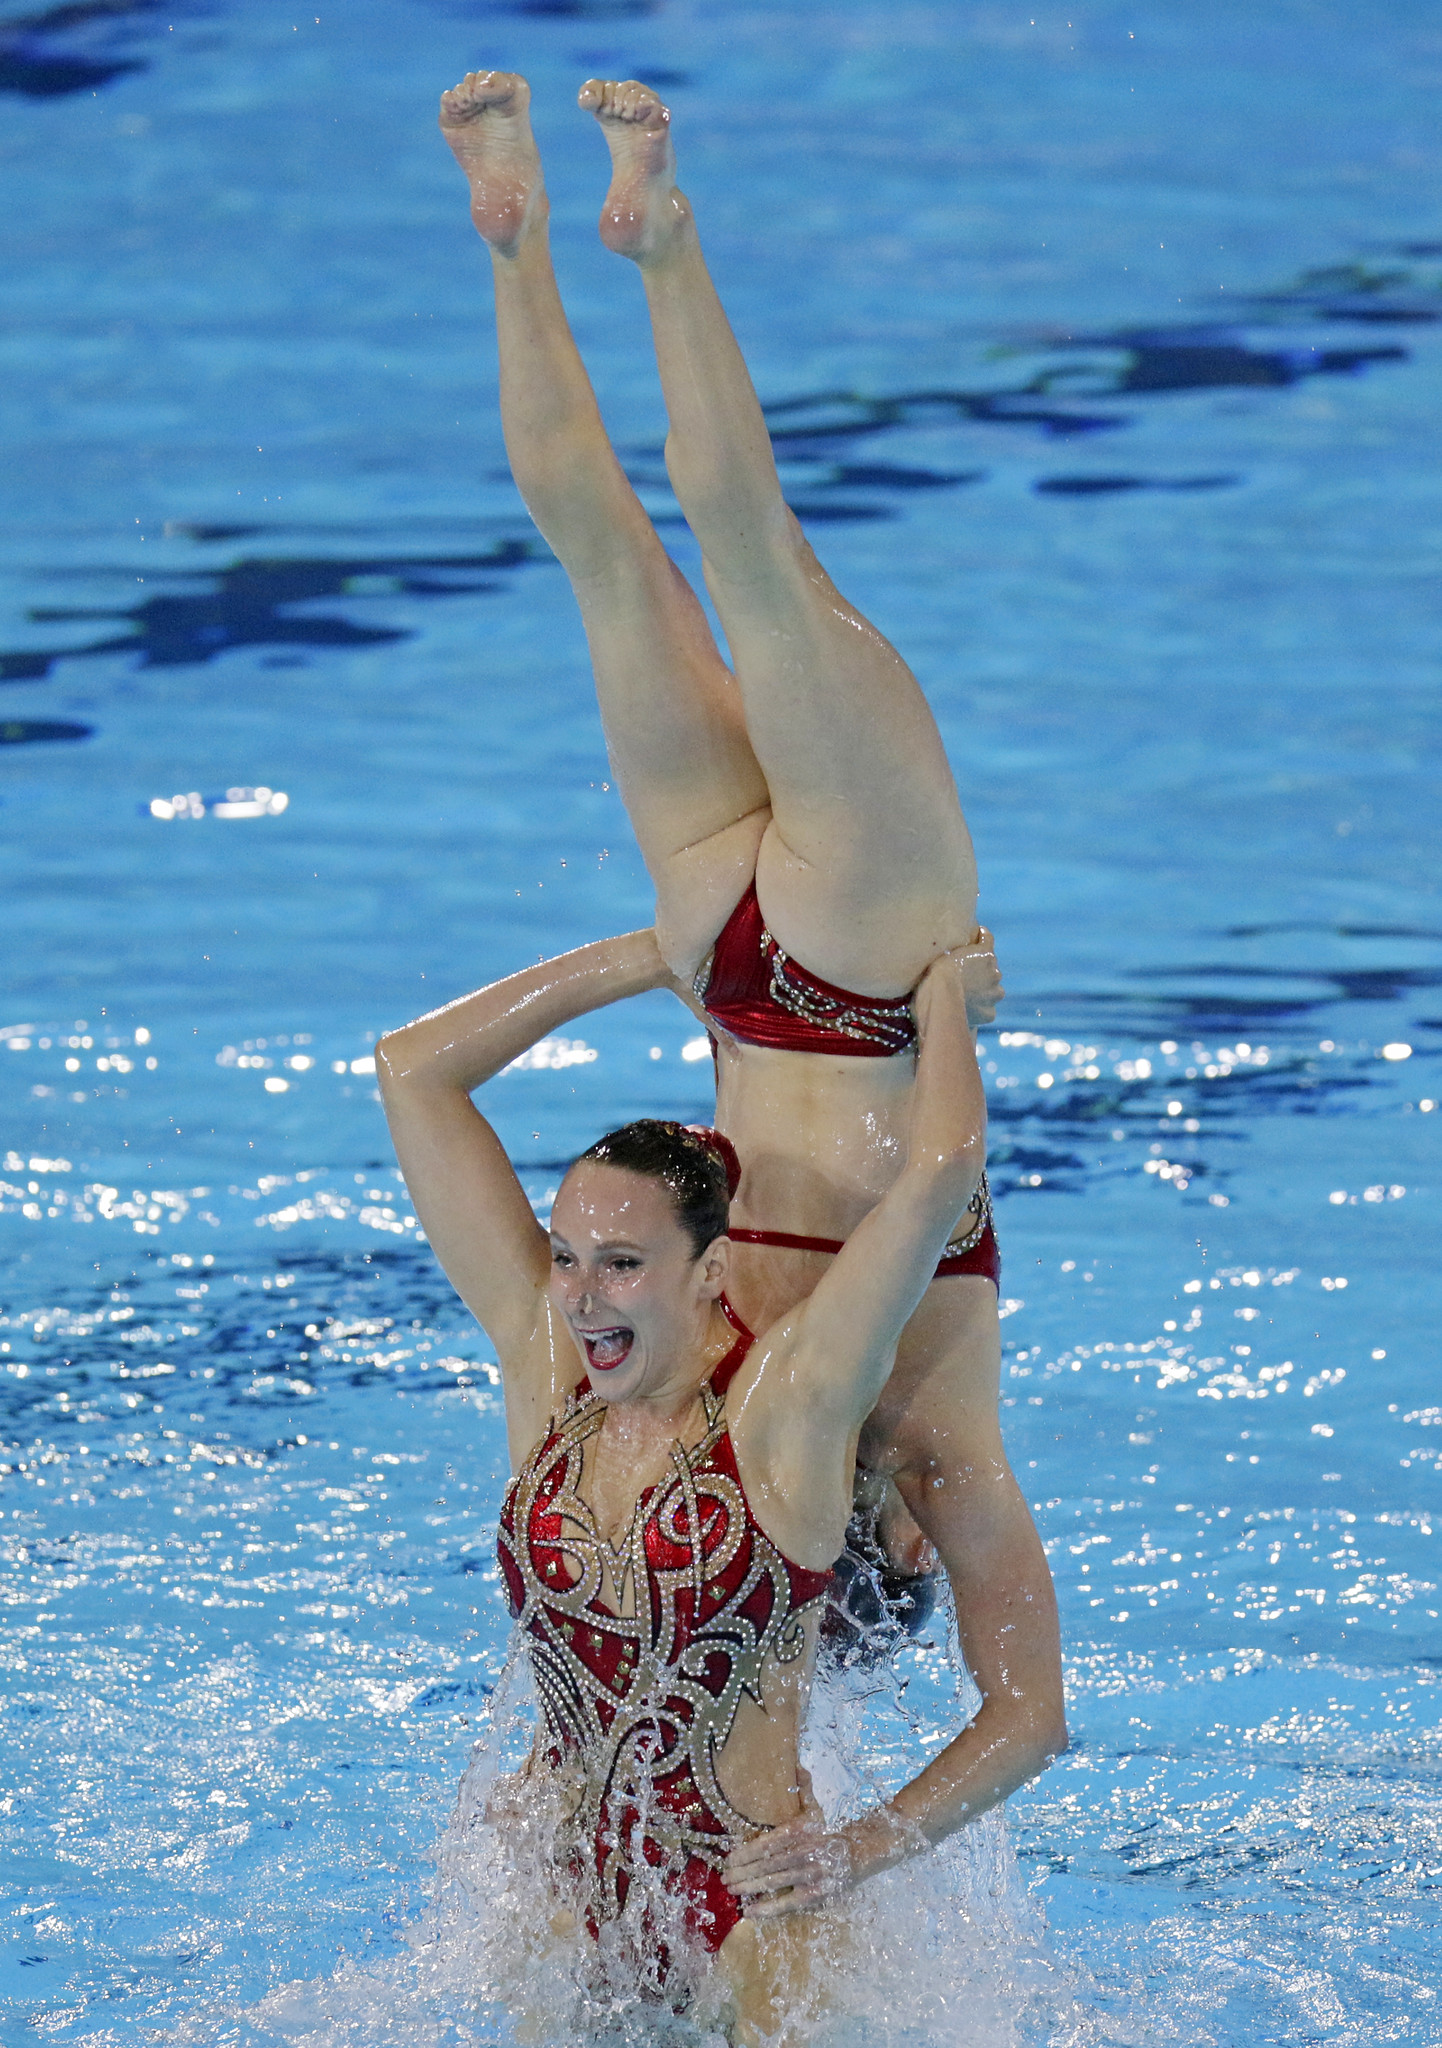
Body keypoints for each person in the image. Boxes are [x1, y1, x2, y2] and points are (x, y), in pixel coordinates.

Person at [431, 61, 1067, 1909]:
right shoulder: (888, 1415)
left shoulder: (741, 1395)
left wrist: (951, 1005)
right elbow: (1026, 1716)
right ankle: (579, 233)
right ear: (870, 1533)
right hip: (808, 974)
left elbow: (1015, 1706)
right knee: (689, 561)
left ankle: (578, 236)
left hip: (820, 973)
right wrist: (853, 1848)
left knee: (663, 560)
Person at [376, 937, 986, 2040]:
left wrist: (942, 997)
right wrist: (656, 955)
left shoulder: (782, 1411)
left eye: (621, 1262)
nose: (578, 1295)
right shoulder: (544, 1372)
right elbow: (411, 1069)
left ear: (709, 1271)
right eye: (564, 1255)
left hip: (749, 1917)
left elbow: (939, 1167)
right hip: (565, 1909)